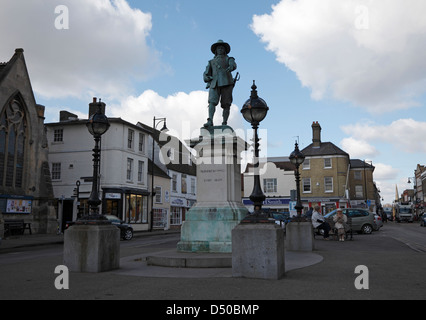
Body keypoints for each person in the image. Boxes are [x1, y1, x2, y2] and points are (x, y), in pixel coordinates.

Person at [203, 40, 237, 127]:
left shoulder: (229, 59)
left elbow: (233, 65)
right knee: (211, 102)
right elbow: (206, 73)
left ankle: (224, 122)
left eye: (222, 48)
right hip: (214, 83)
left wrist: (231, 67)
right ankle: (210, 120)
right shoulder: (211, 62)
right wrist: (207, 77)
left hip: (226, 83)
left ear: (225, 50)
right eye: (219, 48)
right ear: (216, 50)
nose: (220, 49)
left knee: (226, 103)